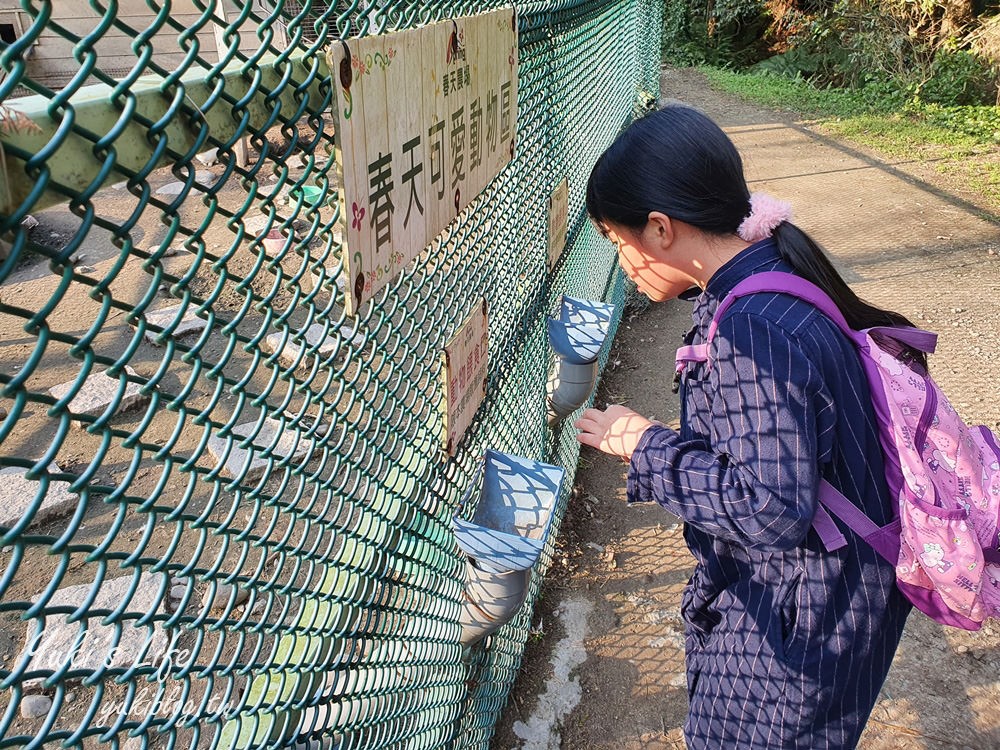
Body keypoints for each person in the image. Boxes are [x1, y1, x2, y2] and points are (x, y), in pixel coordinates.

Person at [574, 103, 915, 749]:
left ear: (660, 228)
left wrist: (643, 445)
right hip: (834, 592)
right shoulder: (769, 273)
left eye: (620, 244)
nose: (624, 263)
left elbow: (770, 507)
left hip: (798, 618)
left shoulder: (752, 328)